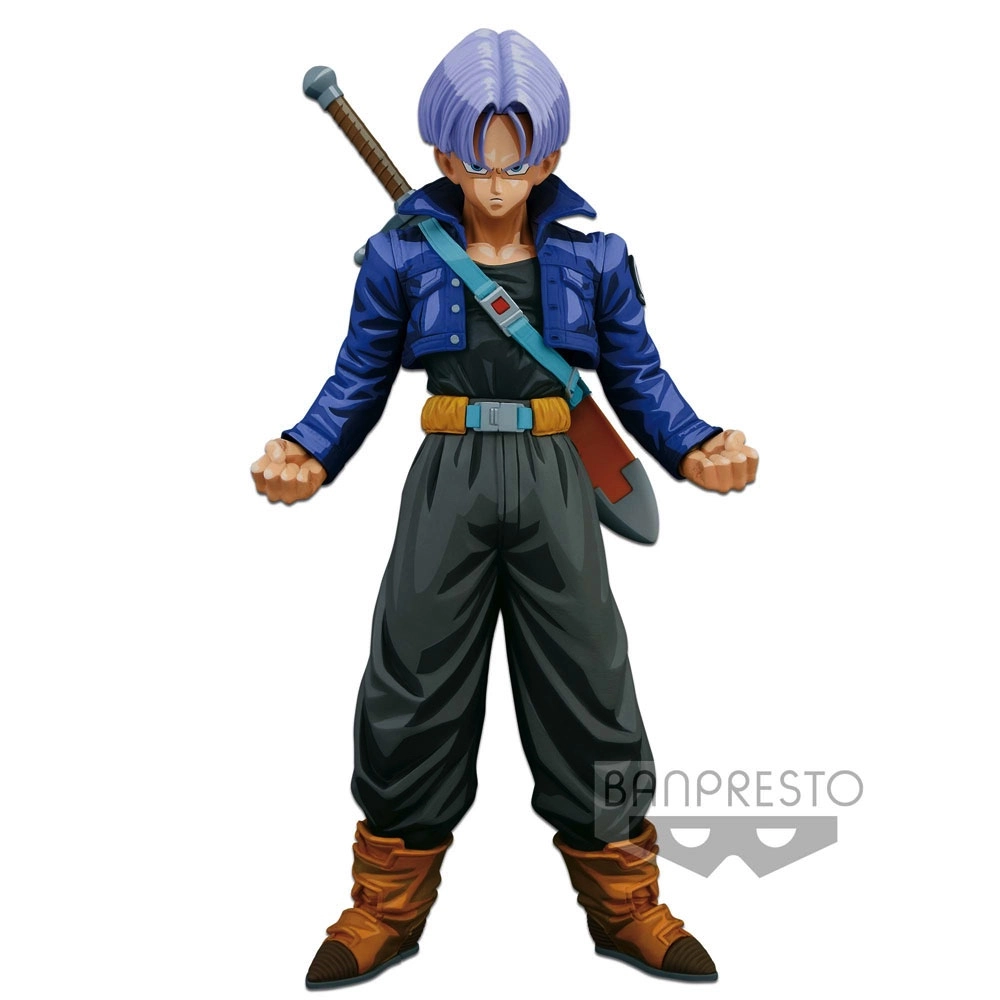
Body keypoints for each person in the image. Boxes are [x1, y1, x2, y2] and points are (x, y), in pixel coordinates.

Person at [251, 28, 757, 988]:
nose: (493, 183)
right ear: (444, 158)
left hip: (558, 477)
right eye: (475, 161)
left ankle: (627, 900)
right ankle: (385, 904)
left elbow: (639, 377)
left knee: (591, 686)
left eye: (515, 161)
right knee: (410, 683)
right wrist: (306, 450)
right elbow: (356, 378)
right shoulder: (402, 260)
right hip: (447, 480)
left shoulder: (595, 260)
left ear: (549, 159)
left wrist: (697, 445)